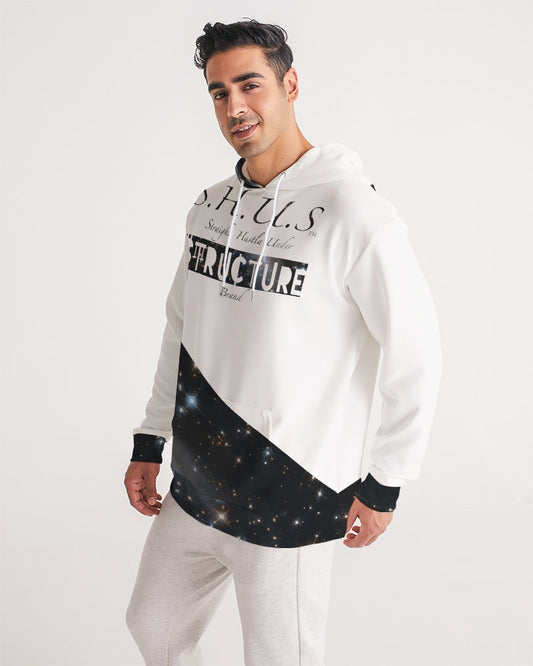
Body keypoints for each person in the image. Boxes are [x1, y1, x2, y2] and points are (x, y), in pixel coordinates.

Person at [124, 18, 442, 666]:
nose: (234, 107)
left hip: (291, 487)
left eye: (250, 85)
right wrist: (150, 437)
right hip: (198, 479)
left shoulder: (354, 213)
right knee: (154, 627)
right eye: (218, 92)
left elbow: (415, 352)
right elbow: (179, 327)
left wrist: (386, 481)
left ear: (289, 83)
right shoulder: (209, 207)